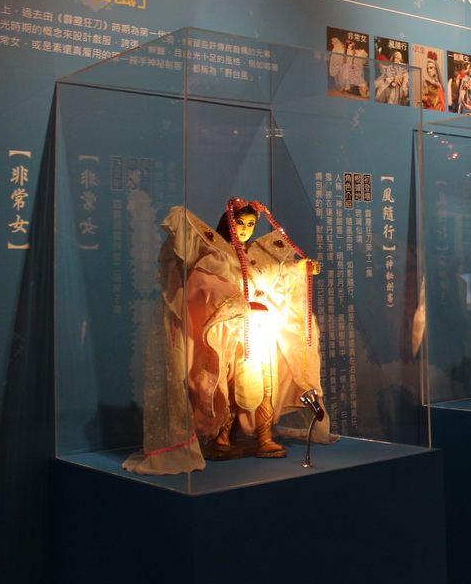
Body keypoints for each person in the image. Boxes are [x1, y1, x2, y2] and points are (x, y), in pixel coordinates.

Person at [123, 198, 333, 475]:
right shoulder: (218, 254)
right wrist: (232, 303)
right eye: (239, 223)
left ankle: (264, 437)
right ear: (228, 223)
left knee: (267, 383)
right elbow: (203, 283)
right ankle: (222, 436)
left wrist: (300, 268)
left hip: (263, 326)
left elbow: (279, 274)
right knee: (231, 384)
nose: (245, 229)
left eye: (250, 224)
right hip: (232, 328)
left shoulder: (260, 254)